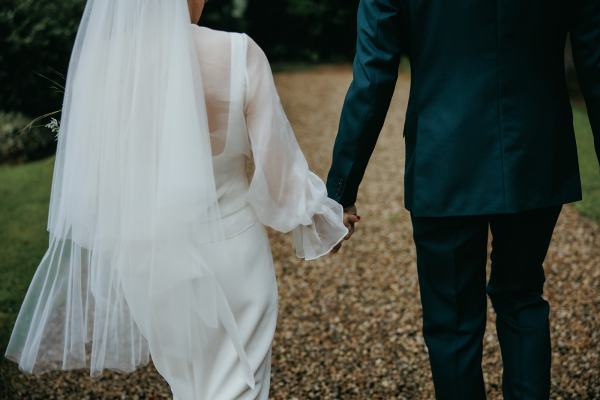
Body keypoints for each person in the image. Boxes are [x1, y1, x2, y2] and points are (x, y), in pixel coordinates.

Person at [5, 1, 349, 399]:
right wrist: (324, 218)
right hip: (232, 253)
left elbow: (97, 178)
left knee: (187, 386)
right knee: (239, 387)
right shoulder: (239, 52)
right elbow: (280, 178)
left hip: (150, 262)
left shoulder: (105, 64)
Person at [327, 1, 599, 399]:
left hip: (444, 156)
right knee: (522, 297)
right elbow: (595, 62)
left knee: (451, 319)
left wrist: (341, 192)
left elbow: (373, 74)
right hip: (535, 152)